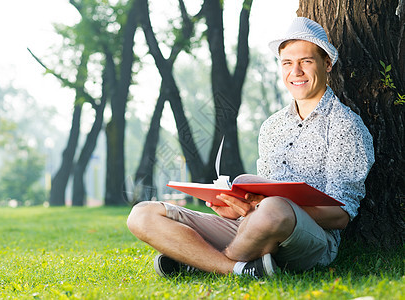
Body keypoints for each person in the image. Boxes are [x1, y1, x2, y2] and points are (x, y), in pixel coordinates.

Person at [126, 17, 375, 278]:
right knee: (142, 214)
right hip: (250, 226)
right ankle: (239, 269)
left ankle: (199, 261)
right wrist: (240, 206)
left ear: (327, 64)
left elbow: (341, 215)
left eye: (306, 61)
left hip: (308, 238)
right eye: (288, 63)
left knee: (275, 209)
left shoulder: (345, 126)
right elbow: (259, 198)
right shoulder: (272, 127)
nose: (296, 71)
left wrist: (268, 207)